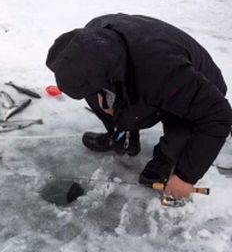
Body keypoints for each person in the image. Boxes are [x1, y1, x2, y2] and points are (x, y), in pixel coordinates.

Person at [45, 14, 232, 200]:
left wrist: (186, 177)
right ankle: (122, 135)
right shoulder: (93, 39)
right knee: (98, 98)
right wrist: (109, 105)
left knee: (180, 134)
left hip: (196, 86)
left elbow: (219, 116)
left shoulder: (163, 72)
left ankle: (165, 159)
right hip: (142, 72)